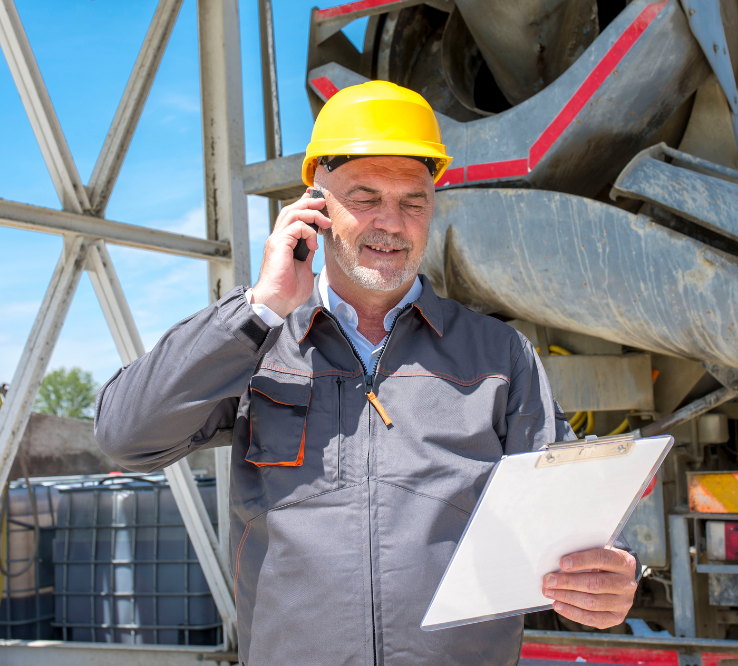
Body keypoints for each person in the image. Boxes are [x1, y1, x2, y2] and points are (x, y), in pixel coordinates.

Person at [94, 81, 638, 665]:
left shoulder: (498, 356)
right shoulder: (255, 342)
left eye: (413, 201)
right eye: (365, 196)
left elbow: (567, 513)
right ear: (315, 207)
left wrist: (614, 568)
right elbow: (125, 437)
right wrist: (259, 306)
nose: (392, 223)